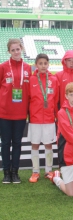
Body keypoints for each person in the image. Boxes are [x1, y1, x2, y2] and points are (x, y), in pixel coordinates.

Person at [0, 39, 31, 184]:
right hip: (4, 112)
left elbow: (30, 91)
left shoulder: (28, 68)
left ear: (22, 49)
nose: (16, 52)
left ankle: (15, 172)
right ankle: (6, 172)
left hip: (20, 113)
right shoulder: (3, 67)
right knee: (6, 143)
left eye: (18, 49)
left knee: (17, 142)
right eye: (13, 50)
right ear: (9, 52)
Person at [28, 54, 59, 183]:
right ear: (36, 65)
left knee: (48, 145)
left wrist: (56, 116)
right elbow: (28, 98)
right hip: (35, 119)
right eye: (40, 63)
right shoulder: (31, 79)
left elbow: (56, 99)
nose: (42, 66)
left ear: (48, 64)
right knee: (34, 144)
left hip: (49, 119)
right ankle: (35, 171)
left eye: (45, 63)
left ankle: (48, 170)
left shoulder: (54, 80)